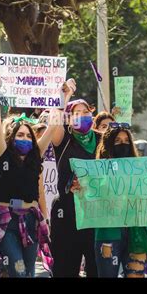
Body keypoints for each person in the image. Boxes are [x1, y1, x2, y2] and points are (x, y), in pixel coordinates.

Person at [0, 73, 55, 277]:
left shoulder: (35, 156)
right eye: (20, 135)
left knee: (29, 273)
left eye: (28, 135)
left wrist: (64, 97)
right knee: (18, 271)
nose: (25, 138)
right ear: (11, 137)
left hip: (31, 221)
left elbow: (53, 127)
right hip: (7, 221)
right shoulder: (2, 154)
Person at [50, 79, 100, 278]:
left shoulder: (103, 139)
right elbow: (54, 120)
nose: (82, 117)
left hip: (96, 213)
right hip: (67, 213)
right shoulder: (63, 139)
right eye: (76, 113)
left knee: (96, 268)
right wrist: (65, 95)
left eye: (86, 112)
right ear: (68, 118)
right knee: (65, 267)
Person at [93, 122, 147, 277]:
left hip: (137, 233)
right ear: (108, 145)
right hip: (109, 233)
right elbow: (91, 197)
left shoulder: (141, 169)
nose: (123, 144)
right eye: (118, 141)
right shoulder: (97, 170)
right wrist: (79, 186)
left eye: (127, 141)